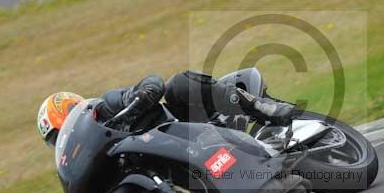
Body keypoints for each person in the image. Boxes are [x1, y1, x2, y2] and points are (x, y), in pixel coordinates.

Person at [37, 70, 297, 147]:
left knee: (179, 85)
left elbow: (151, 81)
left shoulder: (107, 106)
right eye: (57, 141)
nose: (67, 138)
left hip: (189, 127)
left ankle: (263, 108)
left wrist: (145, 92)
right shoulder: (95, 157)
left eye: (61, 132)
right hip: (177, 157)